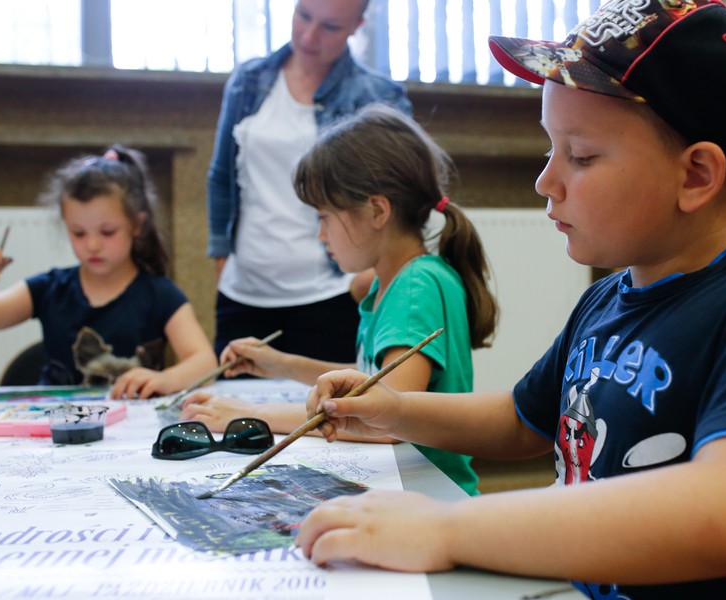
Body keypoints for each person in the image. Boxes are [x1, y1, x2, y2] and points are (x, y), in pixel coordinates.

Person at [293, 1, 726, 597]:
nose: (545, 181)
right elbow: (522, 419)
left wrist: (444, 528)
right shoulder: (604, 302)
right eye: (551, 149)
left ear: (697, 175)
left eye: (582, 156)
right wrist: (393, 409)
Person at [183, 103, 498, 496]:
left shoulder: (415, 288)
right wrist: (280, 363)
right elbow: (372, 378)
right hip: (406, 491)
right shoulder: (398, 282)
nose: (320, 235)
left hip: (428, 498)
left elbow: (385, 420)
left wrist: (252, 414)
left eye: (324, 217)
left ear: (377, 211)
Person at [208, 0, 412, 365]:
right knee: (230, 401)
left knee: (328, 400)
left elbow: (402, 196)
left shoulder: (378, 96)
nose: (308, 36)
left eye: (330, 27)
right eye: (303, 16)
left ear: (357, 25)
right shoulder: (248, 80)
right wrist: (222, 257)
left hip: (329, 293)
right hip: (244, 293)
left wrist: (368, 276)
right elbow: (222, 176)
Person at [0, 145, 217, 399]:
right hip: (58, 421)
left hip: (130, 420)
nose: (93, 245)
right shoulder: (49, 288)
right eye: (78, 233)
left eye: (107, 232)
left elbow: (205, 362)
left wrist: (166, 379)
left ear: (137, 225)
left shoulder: (160, 294)